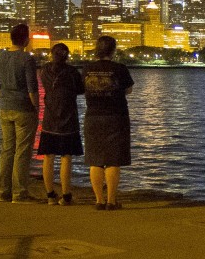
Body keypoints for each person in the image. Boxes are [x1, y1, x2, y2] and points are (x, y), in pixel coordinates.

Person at [82, 35, 133, 210]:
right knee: (113, 160)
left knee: (95, 160)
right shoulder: (120, 68)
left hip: (93, 116)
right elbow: (129, 89)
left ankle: (99, 200)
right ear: (113, 50)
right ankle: (111, 201)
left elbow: (84, 88)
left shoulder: (87, 68)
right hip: (116, 116)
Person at [0, 23, 40, 203]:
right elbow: (32, 89)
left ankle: (3, 191)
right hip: (23, 109)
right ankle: (19, 193)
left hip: (5, 107)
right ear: (26, 40)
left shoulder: (0, 57)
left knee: (7, 150)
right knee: (22, 151)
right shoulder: (27, 59)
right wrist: (36, 108)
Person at [37, 43, 84, 205]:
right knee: (66, 157)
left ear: (51, 54)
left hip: (49, 119)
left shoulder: (44, 70)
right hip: (68, 119)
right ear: (67, 56)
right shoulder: (72, 72)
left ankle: (50, 195)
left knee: (48, 157)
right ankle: (66, 195)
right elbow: (80, 89)